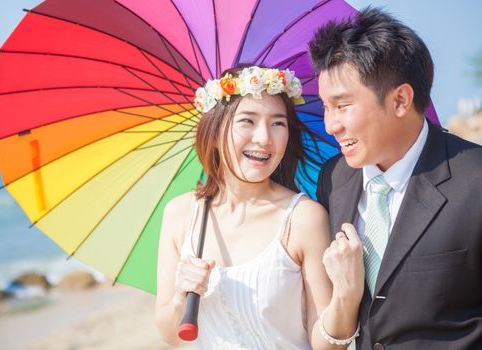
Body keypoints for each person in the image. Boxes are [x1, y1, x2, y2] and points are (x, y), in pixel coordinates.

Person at [155, 65, 364, 349]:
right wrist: (181, 294)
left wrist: (346, 296)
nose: (264, 138)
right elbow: (169, 335)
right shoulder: (180, 215)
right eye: (247, 121)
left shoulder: (304, 219)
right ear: (215, 132)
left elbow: (327, 345)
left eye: (278, 123)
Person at [310, 8, 482, 350]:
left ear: (401, 100)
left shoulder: (475, 180)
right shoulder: (332, 179)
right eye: (326, 107)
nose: (331, 125)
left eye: (342, 106)